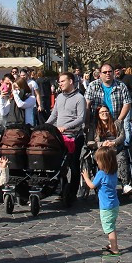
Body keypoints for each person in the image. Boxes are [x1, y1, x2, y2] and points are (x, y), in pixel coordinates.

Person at [83, 64, 132, 203]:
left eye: (110, 71)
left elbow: (127, 103)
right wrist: (87, 123)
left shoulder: (120, 85)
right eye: (105, 72)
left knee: (123, 152)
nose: (108, 74)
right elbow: (87, 104)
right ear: (100, 74)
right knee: (99, 154)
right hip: (97, 121)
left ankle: (125, 183)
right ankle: (101, 181)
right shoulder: (93, 86)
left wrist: (119, 120)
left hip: (115, 119)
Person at [47, 71, 87, 205]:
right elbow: (54, 116)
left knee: (73, 164)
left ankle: (72, 192)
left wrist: (66, 127)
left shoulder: (79, 98)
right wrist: (44, 127)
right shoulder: (59, 97)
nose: (60, 83)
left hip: (74, 136)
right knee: (59, 164)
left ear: (71, 81)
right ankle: (62, 189)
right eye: (59, 81)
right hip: (60, 137)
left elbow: (81, 118)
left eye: (63, 81)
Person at [82, 147, 122, 255]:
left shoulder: (101, 174)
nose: (97, 163)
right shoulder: (113, 172)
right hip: (115, 204)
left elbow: (91, 186)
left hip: (106, 206)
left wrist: (86, 177)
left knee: (109, 228)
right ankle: (112, 244)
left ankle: (114, 248)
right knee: (112, 225)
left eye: (98, 161)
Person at [91, 105, 132, 194]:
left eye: (106, 111)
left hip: (115, 148)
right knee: (101, 157)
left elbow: (122, 136)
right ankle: (101, 182)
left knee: (122, 156)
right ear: (98, 114)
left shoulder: (116, 123)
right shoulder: (94, 126)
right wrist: (102, 144)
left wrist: (113, 142)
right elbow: (89, 142)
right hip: (102, 150)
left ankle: (125, 184)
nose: (104, 114)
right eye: (102, 112)